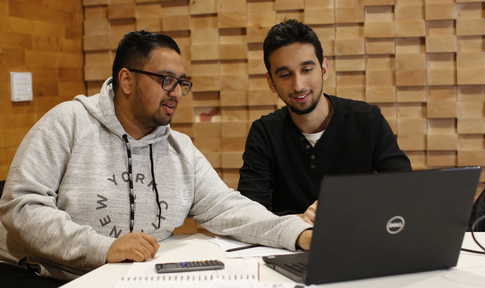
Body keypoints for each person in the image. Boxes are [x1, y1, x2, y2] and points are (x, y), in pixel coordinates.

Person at [0, 30, 313, 287]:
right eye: (166, 80)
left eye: (181, 82)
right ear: (126, 80)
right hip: (45, 275)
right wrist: (104, 248)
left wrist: (298, 233)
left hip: (134, 278)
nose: (176, 92)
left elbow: (227, 207)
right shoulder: (68, 123)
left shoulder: (179, 148)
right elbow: (21, 207)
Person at [237, 19, 412, 225]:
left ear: (324, 69)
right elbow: (249, 215)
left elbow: (406, 194)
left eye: (307, 70)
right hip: (288, 250)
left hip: (361, 243)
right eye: (285, 75)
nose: (298, 85)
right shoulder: (264, 133)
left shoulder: (368, 119)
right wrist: (297, 221)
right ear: (271, 82)